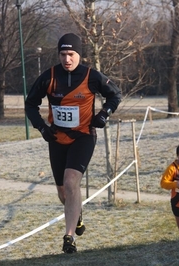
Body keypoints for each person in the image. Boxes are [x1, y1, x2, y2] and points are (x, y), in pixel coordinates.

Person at [24, 33, 122, 253]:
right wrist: (41, 127)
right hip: (56, 139)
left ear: (79, 54)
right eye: (62, 54)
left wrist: (104, 114)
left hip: (83, 137)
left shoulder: (92, 76)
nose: (67, 59)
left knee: (71, 182)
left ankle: (68, 238)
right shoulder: (49, 77)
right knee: (63, 191)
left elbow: (115, 95)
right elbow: (30, 104)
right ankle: (76, 215)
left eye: (71, 54)